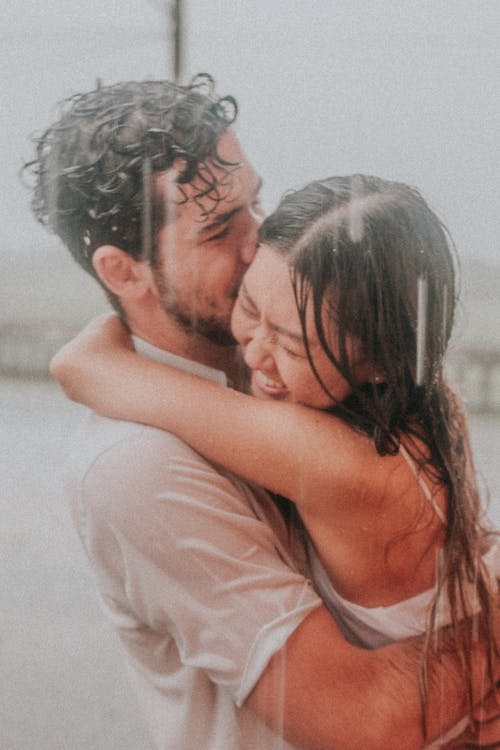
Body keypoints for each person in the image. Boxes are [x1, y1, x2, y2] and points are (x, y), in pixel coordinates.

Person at [27, 76, 499, 749]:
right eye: (221, 228)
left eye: (255, 203)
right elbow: (367, 719)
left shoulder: (309, 365)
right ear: (123, 271)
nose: (259, 244)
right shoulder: (135, 466)